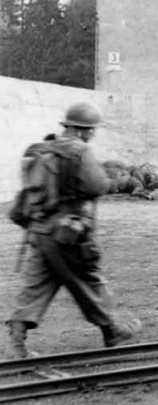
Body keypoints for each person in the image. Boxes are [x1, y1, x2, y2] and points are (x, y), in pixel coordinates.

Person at [6, 102, 140, 358]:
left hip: (39, 232)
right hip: (68, 233)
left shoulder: (43, 148)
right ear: (83, 130)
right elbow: (97, 187)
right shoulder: (79, 152)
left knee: (36, 285)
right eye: (91, 130)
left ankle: (17, 341)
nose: (92, 135)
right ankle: (112, 331)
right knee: (88, 279)